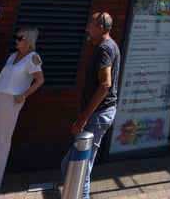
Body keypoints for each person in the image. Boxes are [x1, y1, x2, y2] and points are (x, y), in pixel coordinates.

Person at [0, 27, 45, 191]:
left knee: (0, 139)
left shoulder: (33, 58)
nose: (16, 41)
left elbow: (40, 80)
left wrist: (23, 95)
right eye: (16, 38)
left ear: (28, 40)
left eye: (20, 38)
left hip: (11, 101)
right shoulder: (13, 56)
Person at [63, 11, 121, 199]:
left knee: (81, 165)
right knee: (72, 165)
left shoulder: (105, 49)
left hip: (99, 114)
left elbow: (105, 84)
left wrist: (83, 118)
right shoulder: (106, 47)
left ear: (100, 28)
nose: (87, 27)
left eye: (91, 23)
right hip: (99, 113)